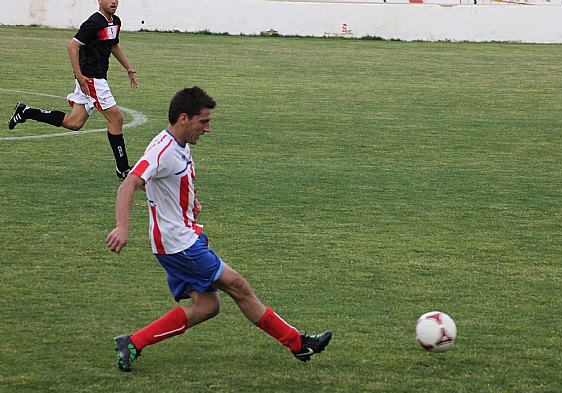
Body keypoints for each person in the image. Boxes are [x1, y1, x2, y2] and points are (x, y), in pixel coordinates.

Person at [106, 86, 332, 372]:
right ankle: (298, 343)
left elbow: (167, 184)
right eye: (204, 121)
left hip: (182, 239)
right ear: (184, 118)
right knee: (238, 286)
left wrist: (190, 202)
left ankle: (133, 342)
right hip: (180, 245)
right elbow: (130, 183)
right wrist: (122, 227)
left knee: (208, 307)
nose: (208, 129)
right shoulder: (162, 150)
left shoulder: (179, 146)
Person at [7, 0, 137, 179]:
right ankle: (123, 169)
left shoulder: (115, 21)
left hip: (95, 79)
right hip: (91, 79)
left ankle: (27, 112)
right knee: (116, 119)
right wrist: (79, 76)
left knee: (74, 123)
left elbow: (113, 44)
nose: (113, 1)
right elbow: (73, 46)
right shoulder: (94, 22)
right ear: (100, 0)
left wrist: (128, 68)